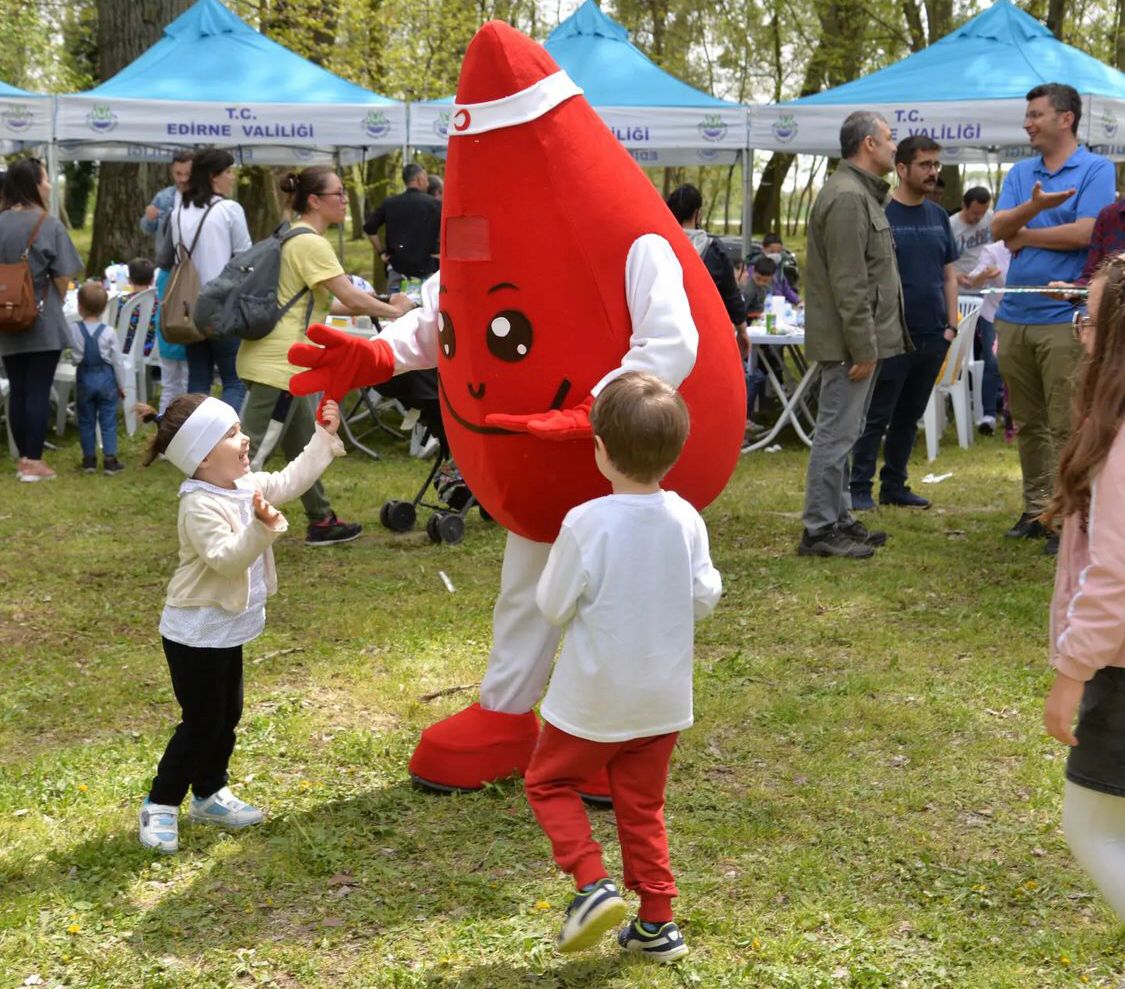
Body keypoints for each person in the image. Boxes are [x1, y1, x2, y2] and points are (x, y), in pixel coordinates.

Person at [286, 19, 743, 800]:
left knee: (622, 596)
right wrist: (382, 352)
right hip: (538, 466)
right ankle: (505, 713)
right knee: (527, 586)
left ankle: (620, 736)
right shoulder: (492, 239)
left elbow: (673, 340)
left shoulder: (629, 236)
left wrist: (599, 412)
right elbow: (453, 317)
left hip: (619, 460)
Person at [524, 372, 721, 962]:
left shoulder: (587, 522)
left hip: (592, 698)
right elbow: (704, 595)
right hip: (662, 698)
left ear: (601, 449)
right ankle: (657, 922)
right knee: (642, 804)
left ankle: (591, 883)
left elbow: (553, 605)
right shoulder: (685, 517)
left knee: (548, 781)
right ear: (676, 451)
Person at [137, 394, 348, 853]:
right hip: (194, 633)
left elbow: (291, 480)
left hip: (227, 628)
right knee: (201, 721)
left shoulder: (241, 482)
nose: (245, 437)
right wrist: (261, 526)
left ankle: (209, 794)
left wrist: (323, 437)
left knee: (226, 714)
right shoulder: (197, 505)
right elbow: (225, 560)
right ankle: (161, 801)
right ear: (204, 456)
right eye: (232, 433)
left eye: (239, 427)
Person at [237, 167, 411, 546]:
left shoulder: (293, 237)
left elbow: (327, 300)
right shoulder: (310, 243)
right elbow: (349, 296)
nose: (345, 199)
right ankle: (225, 521)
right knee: (246, 453)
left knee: (304, 440)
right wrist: (396, 311)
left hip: (287, 361)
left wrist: (380, 304)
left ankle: (321, 520)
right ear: (314, 200)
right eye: (338, 193)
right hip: (279, 364)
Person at [990, 82, 1115, 555]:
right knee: (1028, 421)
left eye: (1036, 114)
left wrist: (1027, 234)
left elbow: (1088, 231)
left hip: (1065, 317)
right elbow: (1000, 228)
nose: (1028, 122)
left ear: (1066, 119)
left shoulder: (1096, 169)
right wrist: (1034, 209)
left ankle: (1071, 517)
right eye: (1028, 114)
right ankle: (1037, 510)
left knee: (1068, 421)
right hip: (1015, 315)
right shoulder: (1022, 172)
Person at [1041, 254, 1125, 919]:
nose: (1080, 332)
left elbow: (1115, 574)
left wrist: (1072, 670)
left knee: (1091, 827)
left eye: (1091, 321)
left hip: (1118, 671)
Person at [797, 111, 909, 559]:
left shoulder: (858, 195)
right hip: (849, 346)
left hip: (857, 343)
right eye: (888, 138)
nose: (894, 146)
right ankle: (820, 529)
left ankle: (838, 516)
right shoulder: (847, 198)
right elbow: (850, 281)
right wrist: (863, 346)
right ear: (867, 144)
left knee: (846, 432)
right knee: (836, 434)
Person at [849, 135, 959, 512]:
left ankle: (895, 485)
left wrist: (950, 326)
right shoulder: (878, 211)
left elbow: (949, 274)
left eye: (936, 165)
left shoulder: (938, 216)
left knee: (909, 418)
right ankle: (859, 489)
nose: (933, 172)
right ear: (901, 168)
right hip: (890, 336)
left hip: (933, 335)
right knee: (876, 416)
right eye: (925, 165)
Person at [0, 157, 83, 482]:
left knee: (19, 390)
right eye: (46, 178)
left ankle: (24, 459)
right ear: (33, 184)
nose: (49, 184)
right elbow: (63, 276)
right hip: (41, 318)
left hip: (5, 318)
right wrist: (50, 299)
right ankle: (33, 462)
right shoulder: (47, 224)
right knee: (37, 390)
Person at [170, 148, 252, 411]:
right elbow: (245, 260)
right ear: (214, 176)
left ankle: (195, 442)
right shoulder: (229, 209)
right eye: (228, 171)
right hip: (223, 305)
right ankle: (223, 440)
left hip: (189, 307)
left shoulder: (178, 211)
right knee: (234, 380)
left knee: (198, 381)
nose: (233, 177)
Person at [666, 184, 748, 357]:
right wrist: (742, 331)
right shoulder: (714, 251)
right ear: (698, 213)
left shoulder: (658, 245)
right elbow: (731, 295)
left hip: (667, 337)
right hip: (706, 338)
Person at [68, 280, 126, 475]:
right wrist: (122, 384)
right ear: (103, 309)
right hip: (106, 378)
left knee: (86, 420)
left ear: (80, 306)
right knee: (108, 419)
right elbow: (117, 360)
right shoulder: (109, 331)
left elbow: (75, 356)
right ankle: (110, 460)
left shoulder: (75, 329)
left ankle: (89, 460)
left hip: (85, 377)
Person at [363, 162, 441, 293]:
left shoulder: (389, 203)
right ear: (419, 179)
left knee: (396, 311)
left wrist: (381, 252)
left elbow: (370, 229)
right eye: (426, 178)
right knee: (426, 312)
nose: (428, 183)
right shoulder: (435, 205)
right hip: (427, 273)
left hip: (397, 272)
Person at [966, 240, 1012, 435]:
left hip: (1023, 313)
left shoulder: (1035, 246)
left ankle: (1013, 414)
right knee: (992, 362)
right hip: (993, 313)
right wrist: (985, 274)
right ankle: (988, 415)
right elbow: (973, 280)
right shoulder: (993, 250)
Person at [139, 151, 193, 252]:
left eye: (188, 174)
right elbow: (146, 229)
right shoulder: (163, 197)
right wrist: (150, 218)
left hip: (194, 262)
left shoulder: (205, 198)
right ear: (172, 172)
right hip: (167, 262)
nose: (183, 179)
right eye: (178, 174)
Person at [950, 186, 993, 290]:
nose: (980, 217)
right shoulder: (950, 226)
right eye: (975, 213)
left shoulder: (991, 217)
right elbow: (940, 262)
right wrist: (955, 277)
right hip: (960, 289)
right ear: (964, 206)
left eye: (984, 212)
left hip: (986, 288)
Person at [760, 233, 800, 304]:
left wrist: (798, 300)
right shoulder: (757, 268)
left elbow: (786, 290)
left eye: (778, 252)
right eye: (772, 252)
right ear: (763, 249)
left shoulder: (779, 269)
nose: (775, 255)